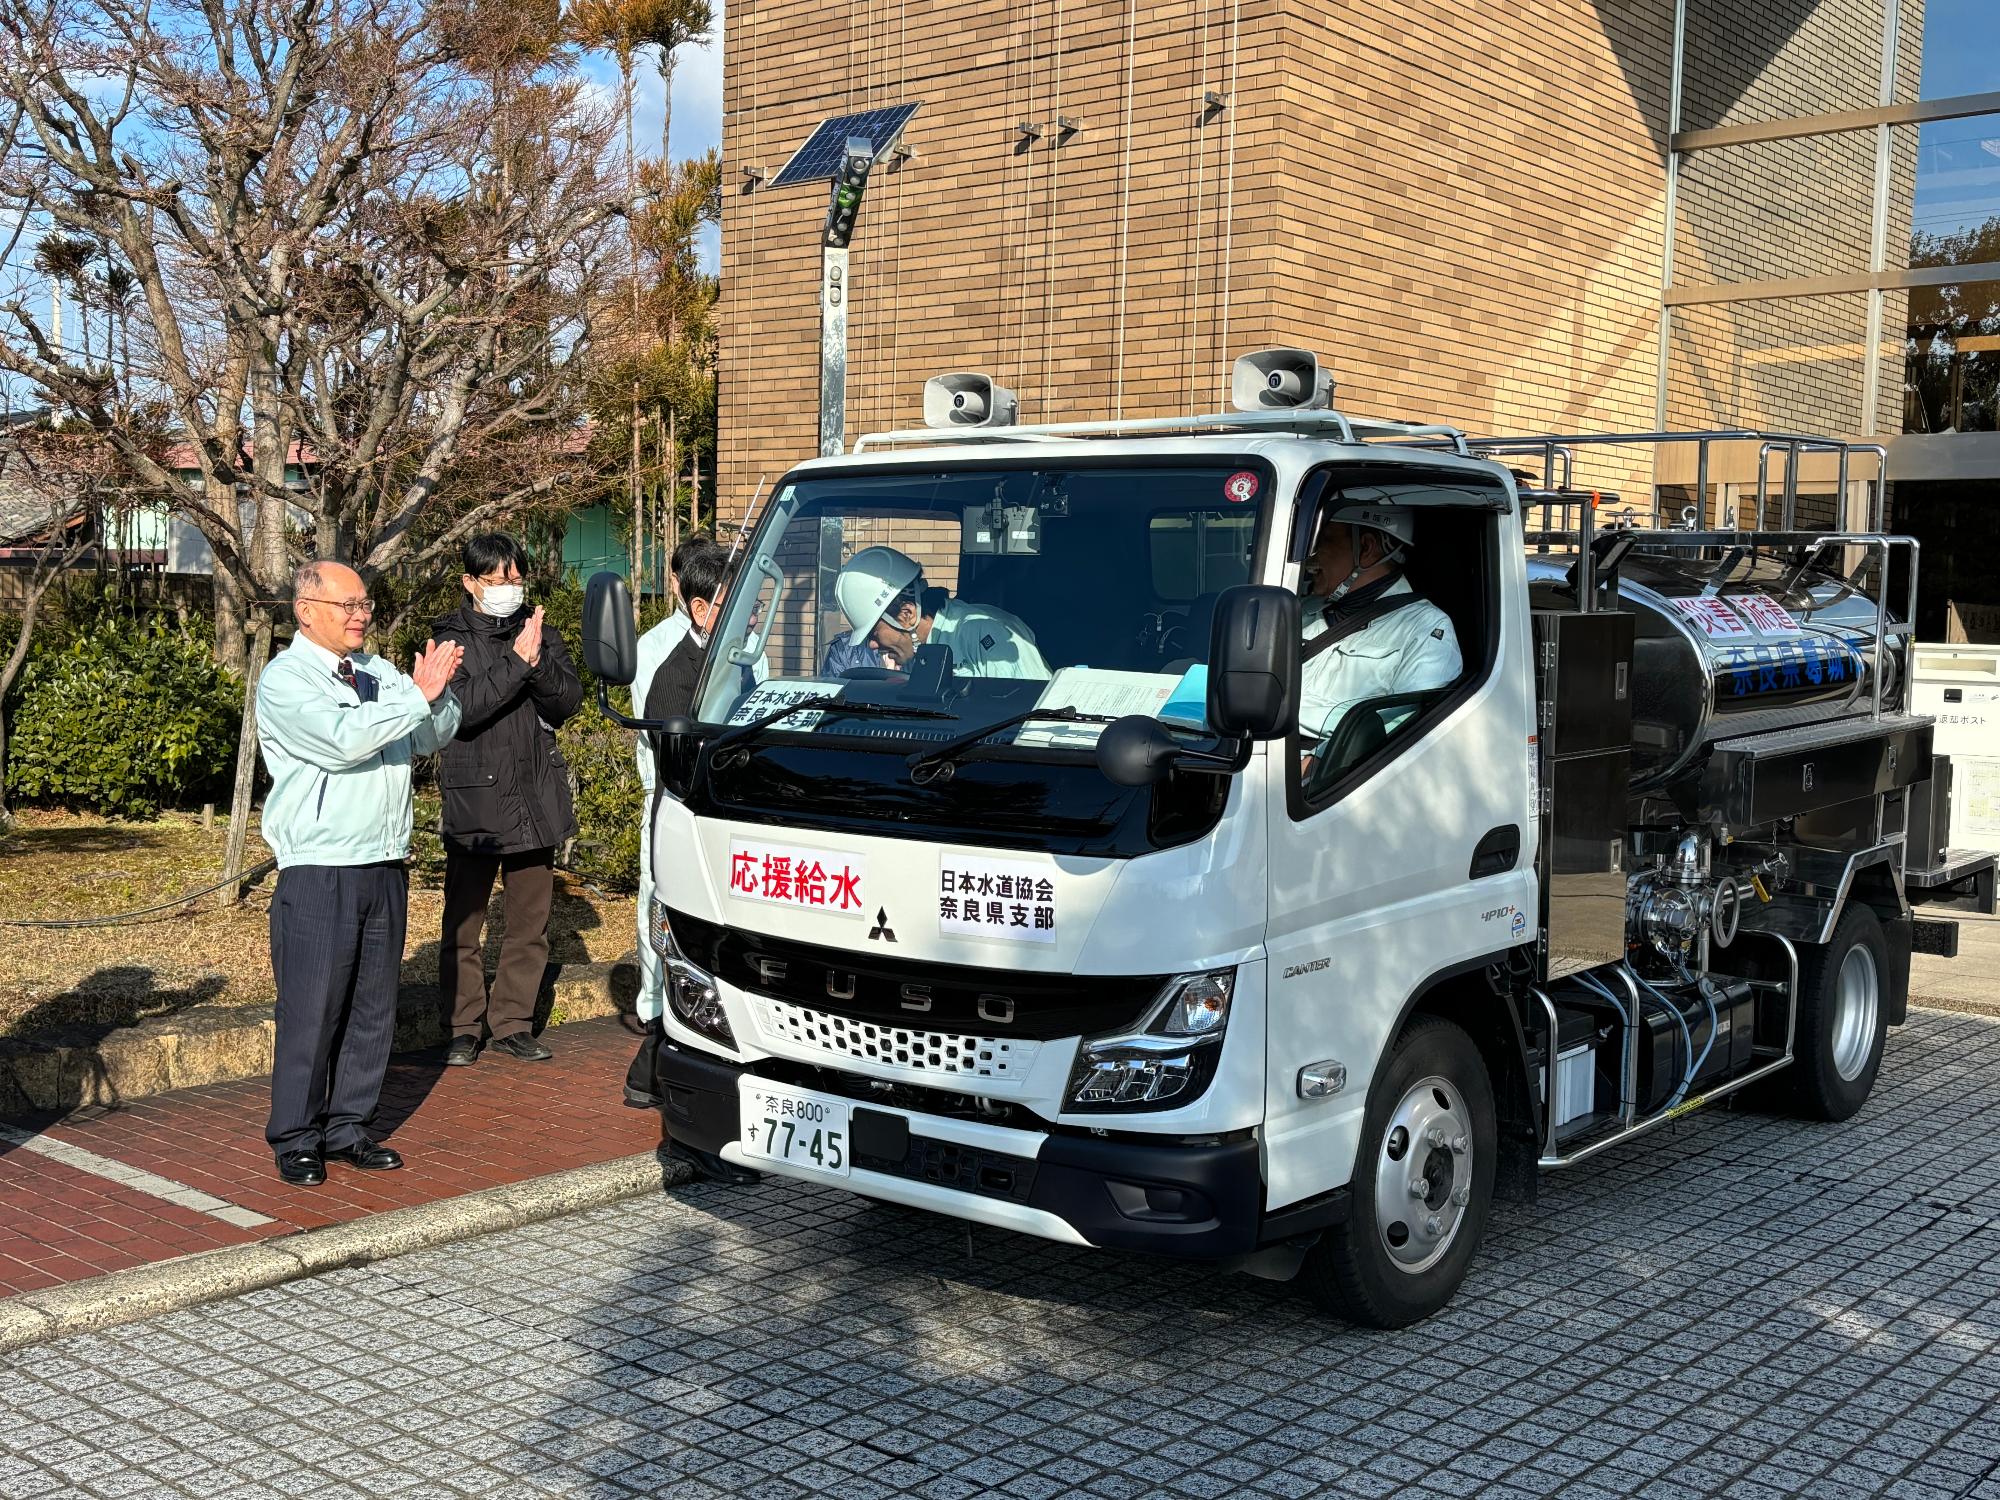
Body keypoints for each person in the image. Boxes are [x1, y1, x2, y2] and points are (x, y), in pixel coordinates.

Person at [256, 561, 462, 1186]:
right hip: (321, 867)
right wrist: (414, 698)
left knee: (374, 1008)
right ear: (306, 609)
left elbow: (430, 736)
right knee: (312, 1008)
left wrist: (440, 695)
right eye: (346, 604)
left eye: (365, 603)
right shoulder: (286, 679)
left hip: (384, 860)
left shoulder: (379, 672)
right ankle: (296, 1135)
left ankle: (349, 1126)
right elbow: (342, 740)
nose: (360, 615)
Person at [432, 534, 585, 1066]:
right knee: (464, 923)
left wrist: (536, 661)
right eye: (498, 581)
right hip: (475, 796)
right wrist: (518, 665)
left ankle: (514, 1022)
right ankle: (461, 1025)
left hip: (533, 793)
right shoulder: (449, 639)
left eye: (517, 579)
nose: (509, 589)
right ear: (470, 584)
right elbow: (463, 709)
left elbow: (568, 700)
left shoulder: (539, 632)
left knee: (529, 922)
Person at [1296, 502, 1461, 773]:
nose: (1312, 556)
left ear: (1366, 549)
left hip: (1328, 783)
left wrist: (1316, 765)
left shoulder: (1426, 629)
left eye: (1324, 540)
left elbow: (1403, 731)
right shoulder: (1303, 610)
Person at [631, 534, 711, 1027]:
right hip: (669, 793)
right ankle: (653, 1004)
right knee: (657, 900)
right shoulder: (657, 648)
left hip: (721, 803)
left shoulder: (744, 647)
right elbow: (656, 733)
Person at [832, 544, 1050, 679]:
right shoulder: (916, 653)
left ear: (906, 614)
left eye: (873, 633)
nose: (871, 644)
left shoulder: (988, 633)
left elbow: (1031, 722)